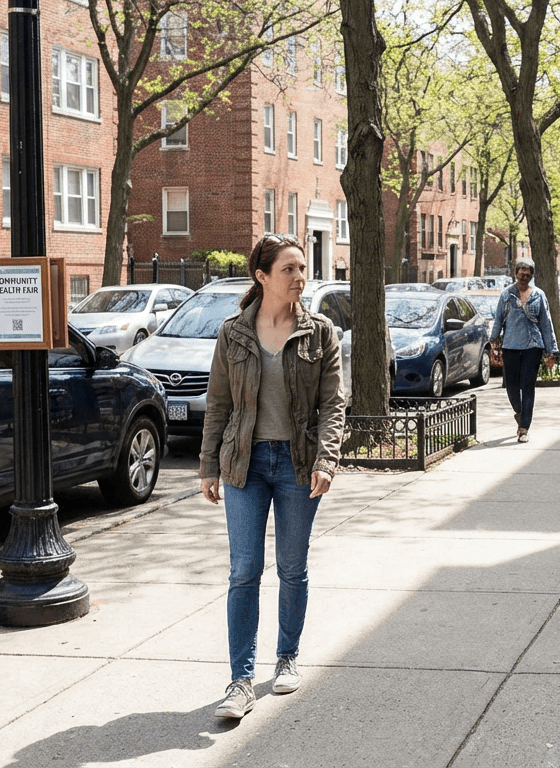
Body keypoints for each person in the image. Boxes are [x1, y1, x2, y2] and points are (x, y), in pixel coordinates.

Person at [200, 234, 346, 719]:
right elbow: (218, 403)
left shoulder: (320, 332)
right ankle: (240, 681)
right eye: (289, 269)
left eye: (302, 268)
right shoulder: (233, 333)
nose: (299, 277)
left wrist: (327, 460)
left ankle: (286, 657)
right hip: (244, 464)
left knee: (291, 567)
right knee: (244, 571)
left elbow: (333, 405)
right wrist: (207, 466)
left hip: (298, 464)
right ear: (262, 276)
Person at [489, 257, 557, 443]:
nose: (524, 277)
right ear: (516, 274)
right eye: (521, 274)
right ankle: (520, 411)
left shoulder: (539, 295)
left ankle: (524, 427)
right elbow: (498, 319)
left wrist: (551, 350)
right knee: (511, 386)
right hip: (510, 346)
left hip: (533, 346)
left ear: (531, 275)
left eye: (527, 274)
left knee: (528, 387)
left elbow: (546, 323)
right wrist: (493, 340)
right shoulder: (507, 295)